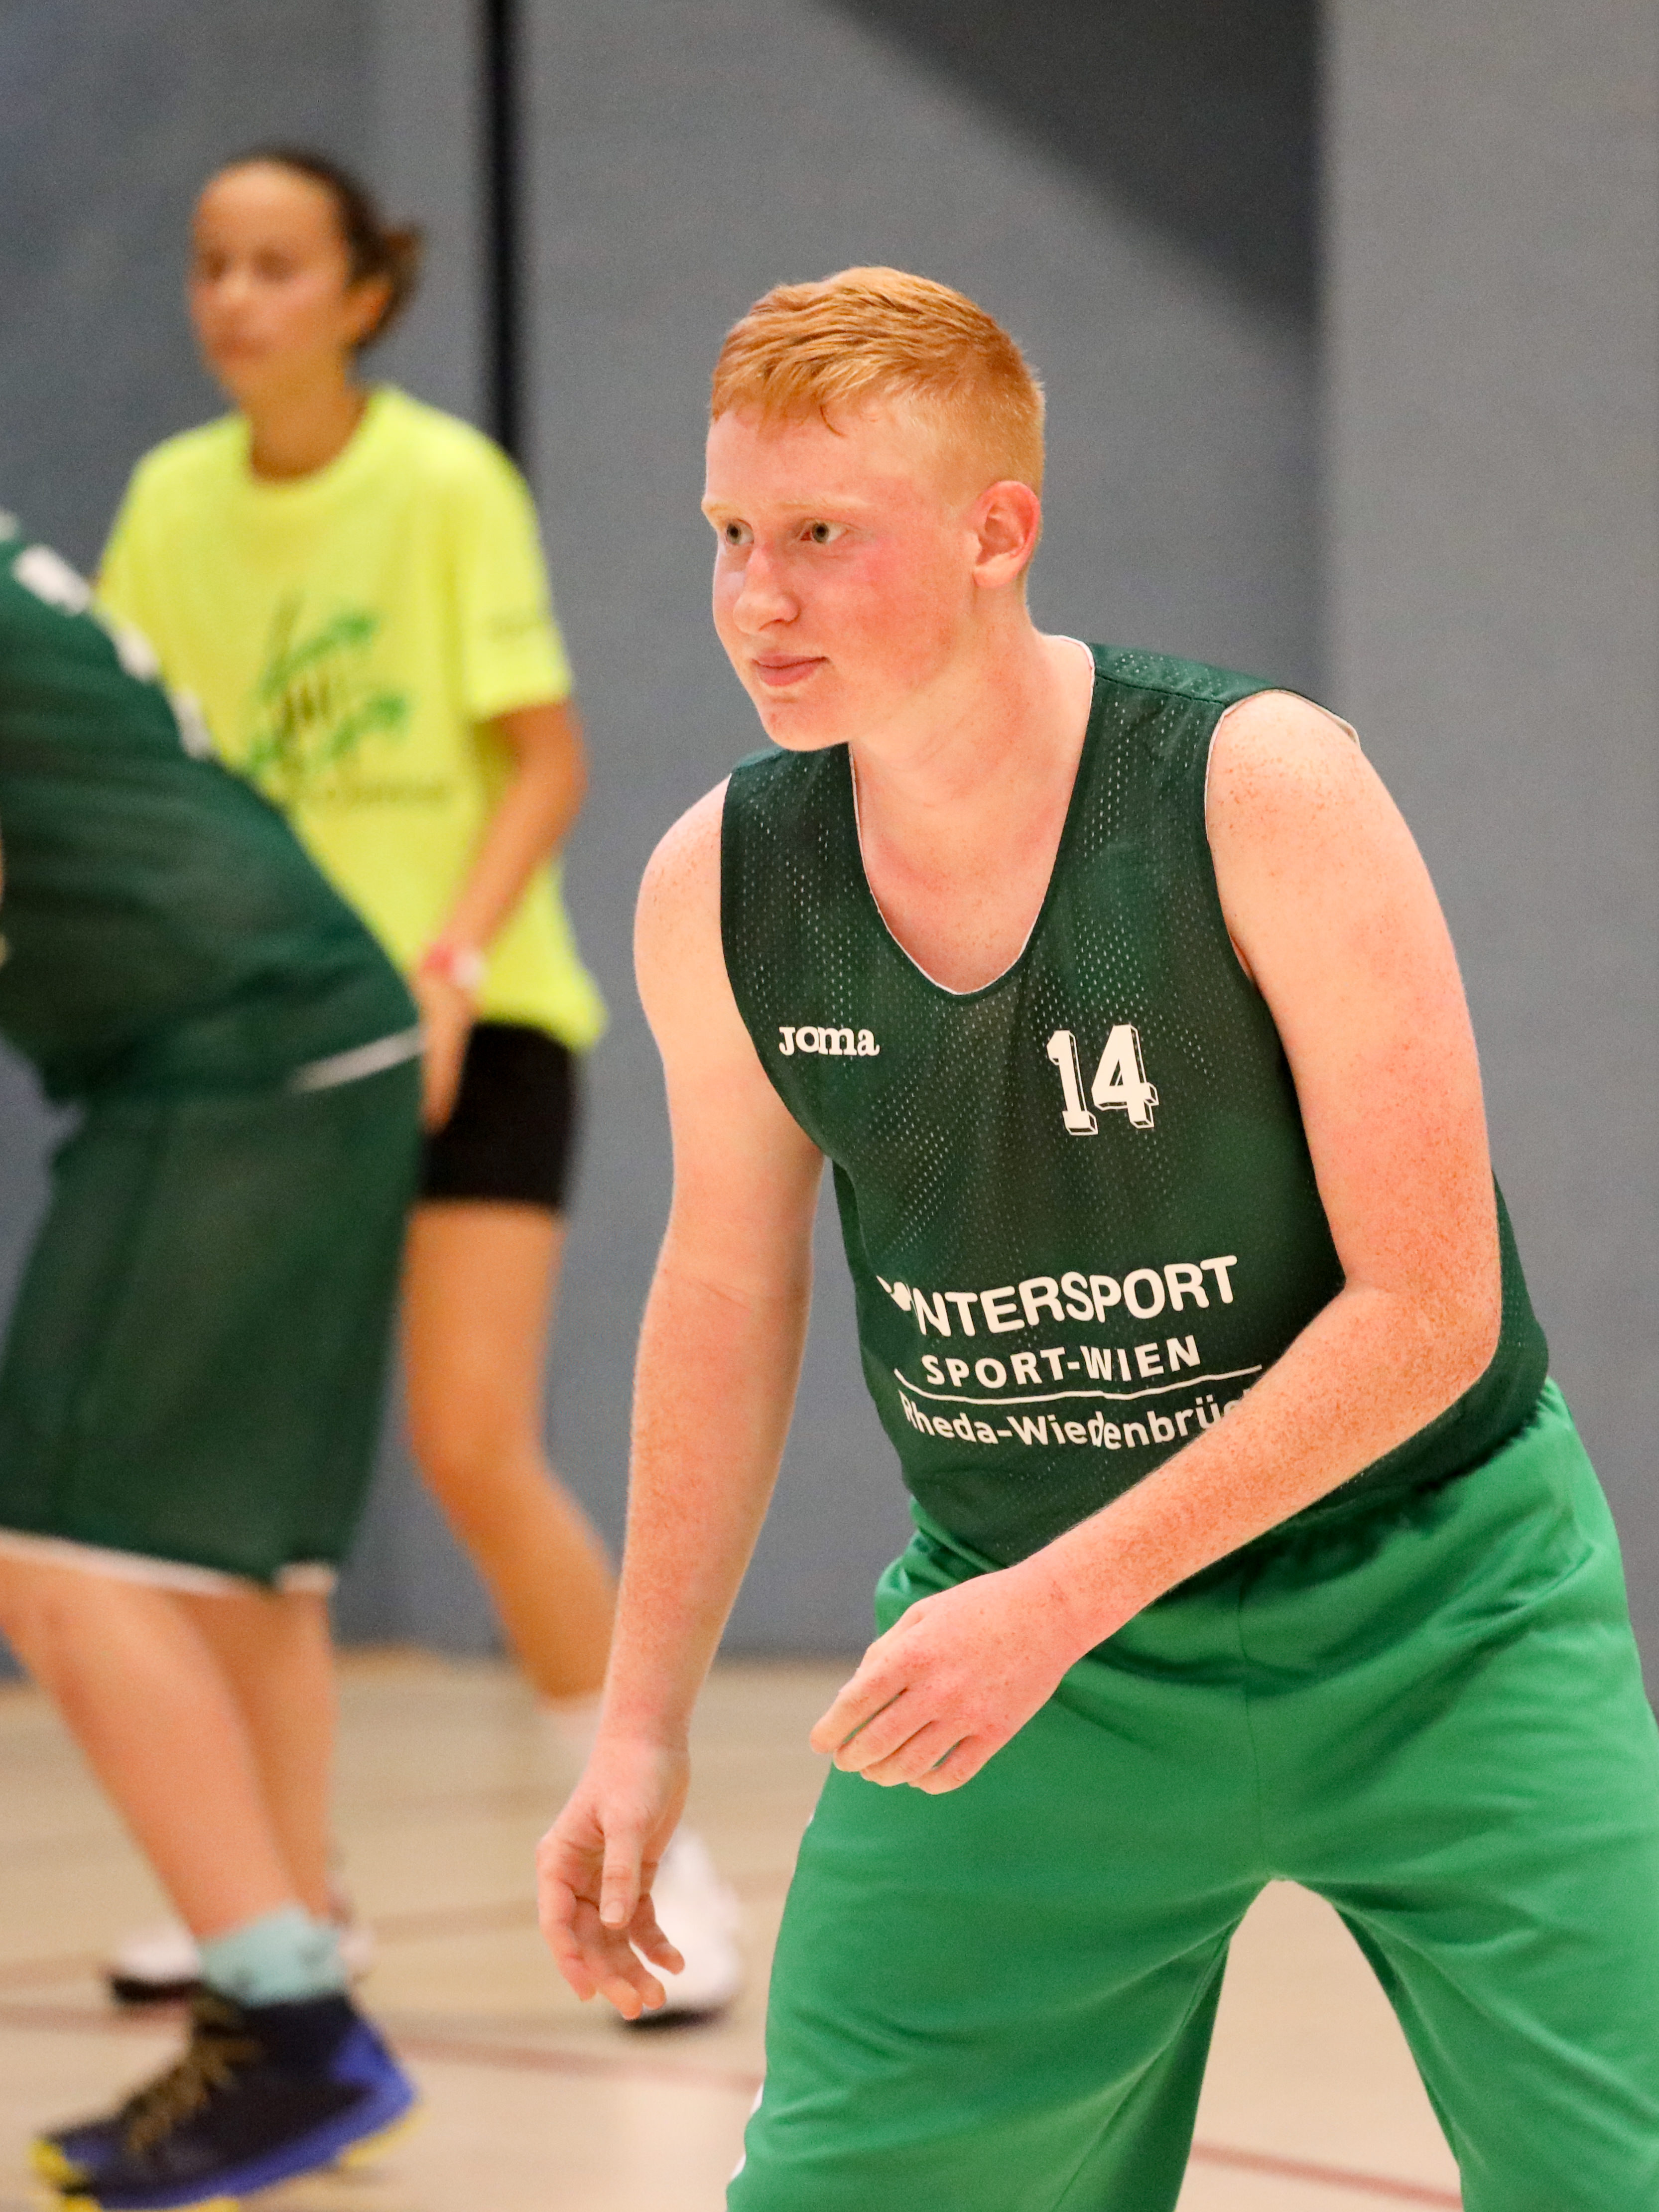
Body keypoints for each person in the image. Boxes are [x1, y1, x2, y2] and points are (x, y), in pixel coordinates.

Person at [537, 267, 1659, 2208]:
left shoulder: (1258, 784)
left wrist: (1055, 1602)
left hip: (1434, 1607)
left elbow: (1430, 1308)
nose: (755, 597)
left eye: (821, 536)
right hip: (1028, 1651)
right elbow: (722, 1285)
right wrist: (636, 1726)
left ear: (998, 532)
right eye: (728, 533)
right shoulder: (717, 884)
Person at [97, 147, 739, 2019]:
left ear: (363, 294)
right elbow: (145, 773)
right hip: (259, 1046)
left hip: (478, 1023)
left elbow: (544, 761)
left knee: (469, 1438)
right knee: (234, 1477)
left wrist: (447, 961)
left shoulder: (447, 485)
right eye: (211, 263)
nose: (236, 299)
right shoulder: (168, 503)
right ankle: (280, 1895)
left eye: (278, 265)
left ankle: (656, 1853)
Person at [0, 517, 421, 2208]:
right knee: (250, 1577)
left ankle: (294, 2026)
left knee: (56, 1558)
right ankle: (277, 2004)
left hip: (231, 1055)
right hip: (313, 1031)